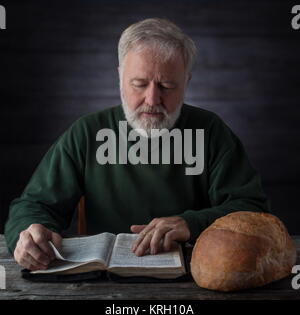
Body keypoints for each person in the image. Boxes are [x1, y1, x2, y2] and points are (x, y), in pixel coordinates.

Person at [4, 18, 270, 271]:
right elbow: (33, 204)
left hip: (195, 277)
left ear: (186, 82)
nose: (152, 99)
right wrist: (29, 230)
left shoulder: (211, 131)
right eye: (139, 84)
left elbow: (252, 209)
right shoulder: (87, 132)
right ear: (120, 78)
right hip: (100, 282)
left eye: (167, 85)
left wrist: (192, 223)